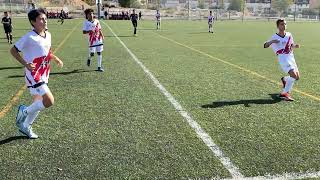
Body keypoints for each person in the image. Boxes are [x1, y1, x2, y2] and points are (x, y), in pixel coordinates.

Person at [10, 8, 63, 139]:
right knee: (49, 101)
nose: (44, 21)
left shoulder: (48, 34)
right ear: (33, 22)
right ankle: (24, 111)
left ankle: (25, 126)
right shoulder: (29, 37)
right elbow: (13, 51)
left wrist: (55, 58)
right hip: (34, 74)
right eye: (41, 19)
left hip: (45, 72)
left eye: (45, 18)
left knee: (38, 103)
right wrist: (26, 64)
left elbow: (47, 52)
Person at [264, 18, 301, 101]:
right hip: (283, 57)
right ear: (278, 26)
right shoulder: (274, 36)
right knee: (294, 76)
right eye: (282, 24)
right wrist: (272, 41)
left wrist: (295, 46)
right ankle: (284, 94)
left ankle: (285, 79)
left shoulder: (289, 35)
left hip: (291, 56)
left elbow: (290, 46)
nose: (284, 25)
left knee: (297, 77)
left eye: (285, 24)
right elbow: (265, 45)